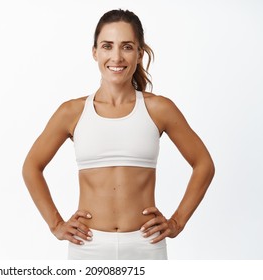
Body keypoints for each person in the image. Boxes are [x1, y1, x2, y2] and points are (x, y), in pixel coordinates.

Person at [22, 9, 215, 260]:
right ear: (95, 52)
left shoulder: (159, 108)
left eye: (126, 47)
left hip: (146, 245)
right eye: (107, 46)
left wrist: (177, 221)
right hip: (87, 246)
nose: (116, 56)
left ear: (139, 53)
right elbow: (31, 166)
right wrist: (56, 224)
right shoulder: (72, 112)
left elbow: (204, 164)